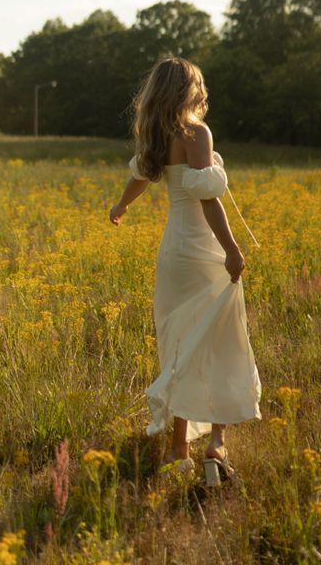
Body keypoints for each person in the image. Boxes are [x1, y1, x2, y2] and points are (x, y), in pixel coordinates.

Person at [109, 56, 261, 484]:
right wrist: (232, 249)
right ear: (189, 90)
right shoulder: (197, 132)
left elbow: (141, 175)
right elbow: (207, 198)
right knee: (221, 340)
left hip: (173, 254)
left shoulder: (156, 134)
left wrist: (122, 205)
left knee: (180, 345)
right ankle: (215, 443)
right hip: (202, 251)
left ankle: (179, 448)